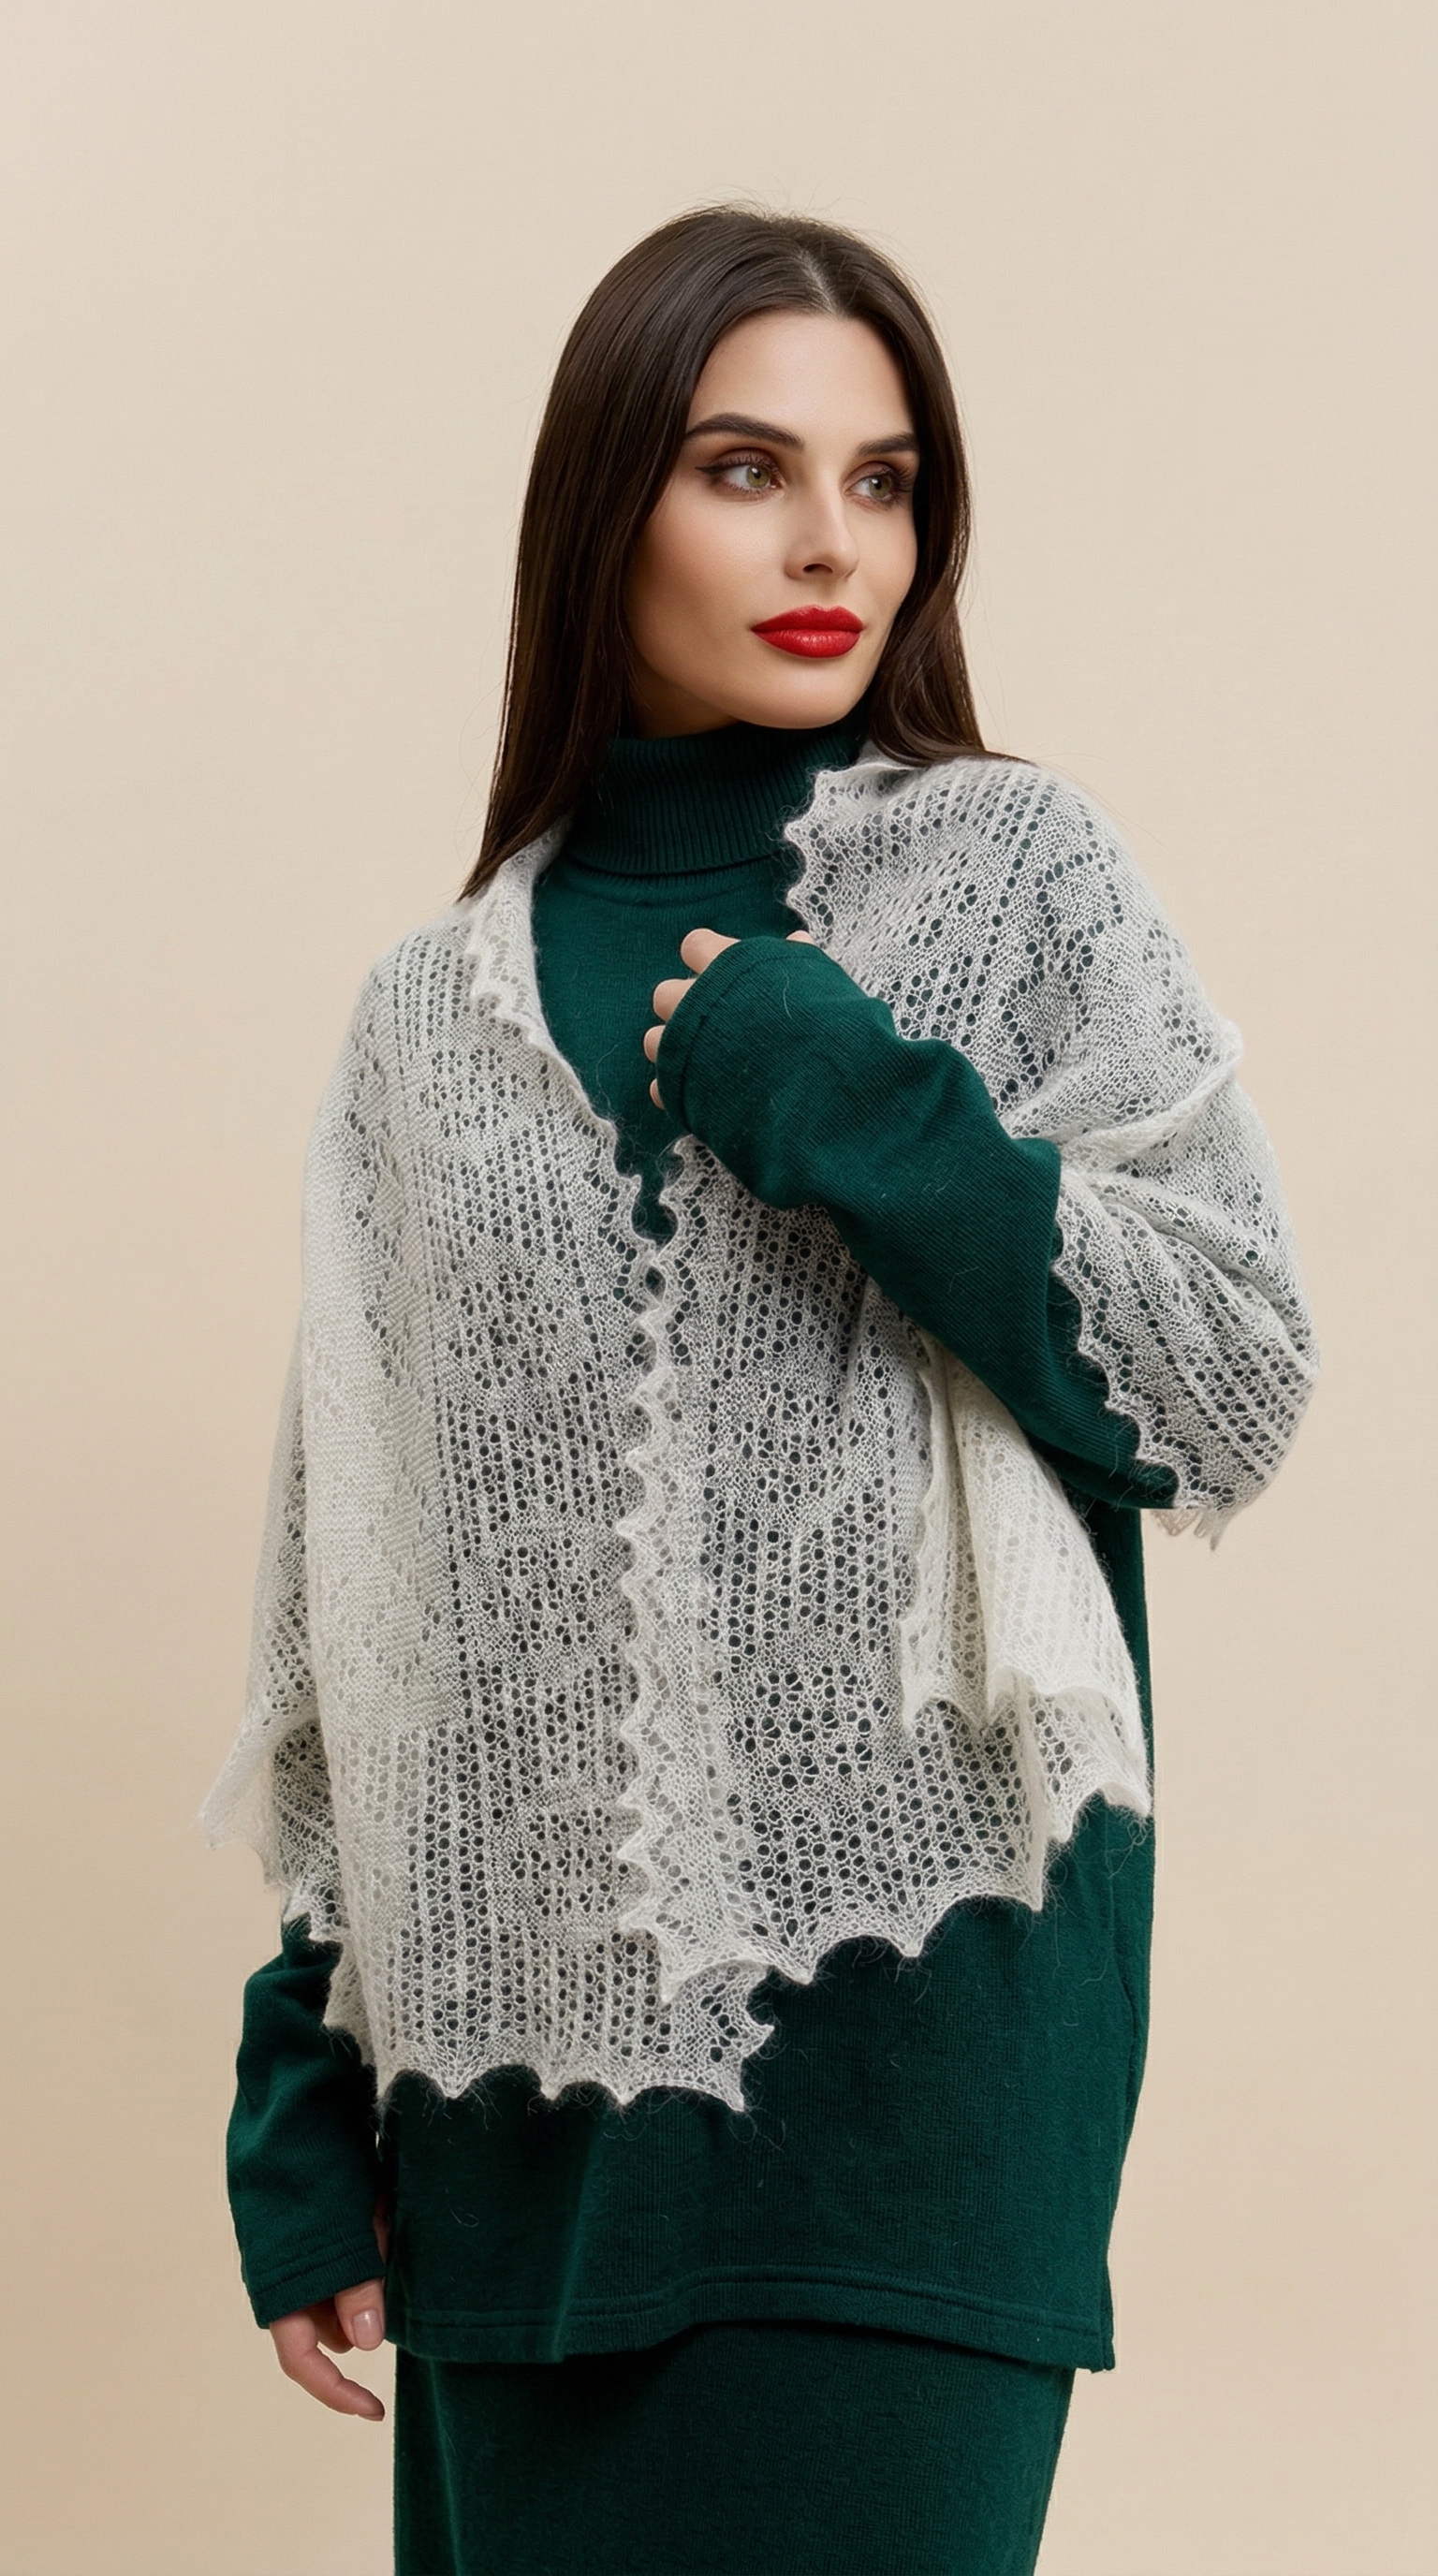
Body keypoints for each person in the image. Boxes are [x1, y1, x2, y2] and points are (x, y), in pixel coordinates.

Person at [202, 206, 1316, 2576]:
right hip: (508, 2121)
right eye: (748, 469)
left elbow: (1224, 1372)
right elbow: (377, 1602)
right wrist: (307, 2076)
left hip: (914, 2089)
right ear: (605, 506)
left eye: (886, 481)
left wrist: (841, 1085)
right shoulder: (427, 1014)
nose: (835, 546)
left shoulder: (1014, 871)